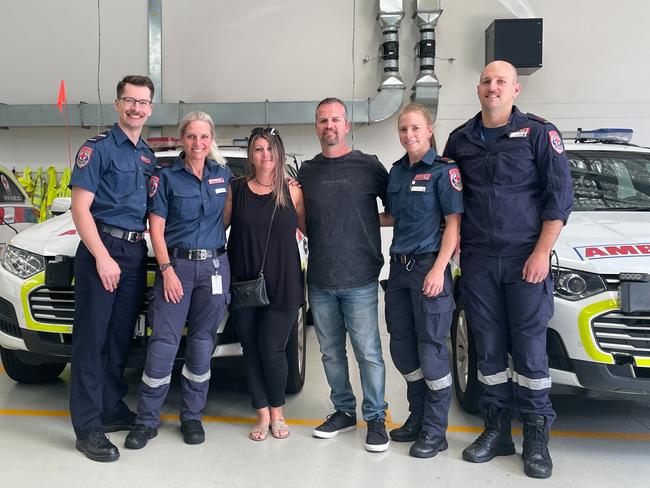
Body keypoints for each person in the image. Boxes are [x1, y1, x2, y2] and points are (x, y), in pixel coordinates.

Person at [443, 60, 573, 478]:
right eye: (486, 81)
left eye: (501, 81)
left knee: (531, 353)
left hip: (525, 261)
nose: (493, 87)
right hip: (479, 262)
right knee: (489, 351)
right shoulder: (460, 139)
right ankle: (497, 431)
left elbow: (559, 199)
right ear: (477, 89)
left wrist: (540, 253)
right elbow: (448, 197)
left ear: (516, 90)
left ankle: (536, 440)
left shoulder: (539, 133)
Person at [124, 111, 231, 450]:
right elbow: (156, 227)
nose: (198, 143)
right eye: (192, 136)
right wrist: (167, 268)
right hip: (178, 268)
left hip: (214, 267)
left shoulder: (223, 175)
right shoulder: (167, 178)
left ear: (211, 139)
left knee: (202, 343)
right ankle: (146, 420)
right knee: (164, 344)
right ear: (182, 139)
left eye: (204, 137)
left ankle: (191, 416)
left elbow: (226, 217)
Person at [69, 75, 155, 462]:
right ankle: (87, 427)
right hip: (103, 250)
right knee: (92, 339)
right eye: (129, 100)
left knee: (119, 338)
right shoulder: (97, 148)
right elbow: (80, 208)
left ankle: (110, 406)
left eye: (143, 102)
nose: (136, 107)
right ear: (118, 105)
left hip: (135, 254)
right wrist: (102, 256)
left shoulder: (148, 156)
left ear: (150, 108)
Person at [298, 97, 390, 452]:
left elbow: (397, 209)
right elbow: (303, 218)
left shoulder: (369, 166)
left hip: (361, 278)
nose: (329, 126)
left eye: (335, 119)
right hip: (320, 278)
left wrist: (366, 221)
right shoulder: (306, 171)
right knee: (331, 353)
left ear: (346, 125)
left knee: (368, 352)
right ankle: (344, 411)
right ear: (317, 126)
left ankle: (376, 416)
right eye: (323, 120)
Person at [382, 103, 463, 458]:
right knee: (401, 346)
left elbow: (454, 225)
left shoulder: (444, 171)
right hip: (398, 270)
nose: (409, 135)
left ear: (429, 130)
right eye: (403, 129)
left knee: (430, 348)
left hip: (429, 267)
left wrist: (438, 269)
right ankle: (416, 417)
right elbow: (391, 217)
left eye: (415, 128)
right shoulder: (397, 172)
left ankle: (435, 429)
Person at [227, 127, 306, 441]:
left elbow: (310, 228)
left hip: (284, 282)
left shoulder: (293, 190)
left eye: (270, 149)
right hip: (244, 281)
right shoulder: (237, 190)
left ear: (279, 153)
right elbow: (217, 228)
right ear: (251, 154)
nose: (265, 156)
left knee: (272, 349)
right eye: (258, 149)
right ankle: (261, 413)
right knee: (250, 349)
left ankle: (277, 412)